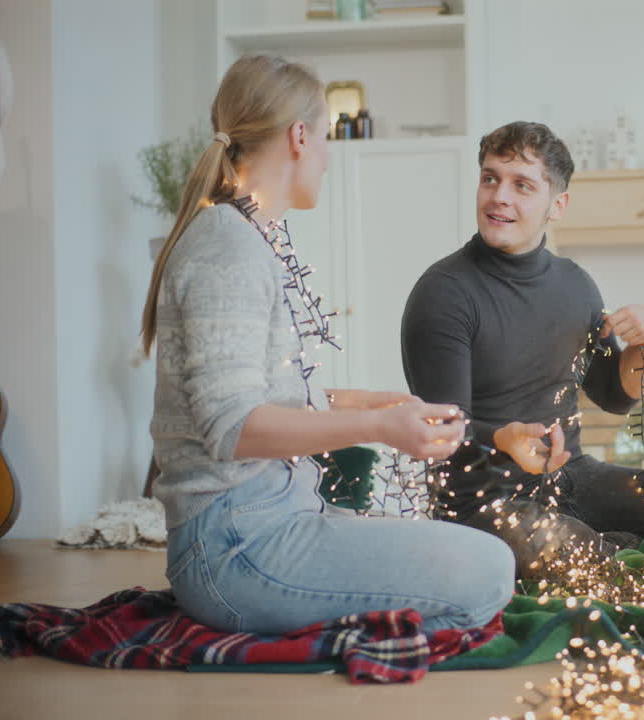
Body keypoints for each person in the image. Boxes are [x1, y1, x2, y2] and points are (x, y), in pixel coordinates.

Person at [140, 54, 514, 635]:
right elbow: (233, 427)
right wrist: (381, 429)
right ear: (298, 136)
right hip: (235, 548)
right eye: (325, 137)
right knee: (490, 569)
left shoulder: (244, 236)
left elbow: (271, 397)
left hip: (274, 518)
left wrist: (380, 405)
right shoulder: (227, 248)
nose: (327, 156)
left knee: (474, 551)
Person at [401, 121, 644, 577]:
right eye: (490, 178)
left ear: (558, 206)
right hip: (480, 506)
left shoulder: (576, 285)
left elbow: (616, 397)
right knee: (596, 561)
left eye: (522, 185)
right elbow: (439, 431)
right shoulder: (444, 293)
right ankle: (621, 556)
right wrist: (503, 438)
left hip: (570, 476)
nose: (499, 197)